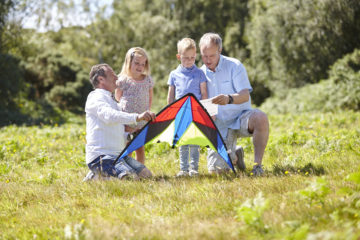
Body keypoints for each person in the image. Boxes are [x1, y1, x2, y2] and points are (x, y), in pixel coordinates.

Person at [199, 33, 269, 176]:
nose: (207, 60)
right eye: (204, 56)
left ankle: (257, 166)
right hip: (219, 126)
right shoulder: (199, 74)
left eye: (211, 56)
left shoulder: (234, 66)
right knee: (216, 172)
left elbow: (245, 95)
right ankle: (235, 154)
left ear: (220, 50)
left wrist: (229, 98)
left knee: (261, 118)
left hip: (240, 118)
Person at [83, 63, 155, 181]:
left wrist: (131, 134)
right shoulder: (95, 97)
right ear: (101, 79)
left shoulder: (114, 103)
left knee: (146, 175)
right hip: (101, 156)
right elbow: (109, 116)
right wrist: (137, 117)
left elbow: (117, 129)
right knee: (130, 179)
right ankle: (95, 176)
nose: (117, 77)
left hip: (119, 156)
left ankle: (103, 175)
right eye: (112, 74)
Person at [167, 37, 208, 177]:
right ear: (179, 57)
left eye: (192, 58)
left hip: (195, 111)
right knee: (183, 142)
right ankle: (183, 169)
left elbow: (204, 93)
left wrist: (205, 111)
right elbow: (171, 96)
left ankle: (194, 169)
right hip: (180, 113)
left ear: (195, 56)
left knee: (194, 142)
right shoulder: (174, 74)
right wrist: (170, 112)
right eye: (186, 58)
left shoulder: (199, 73)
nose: (189, 61)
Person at [115, 47, 154, 165]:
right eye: (137, 63)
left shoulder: (147, 80)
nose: (140, 67)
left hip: (142, 120)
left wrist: (147, 112)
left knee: (140, 148)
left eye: (143, 64)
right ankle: (127, 168)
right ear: (128, 62)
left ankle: (140, 169)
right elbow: (118, 97)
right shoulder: (123, 80)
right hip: (127, 119)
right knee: (128, 146)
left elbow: (150, 97)